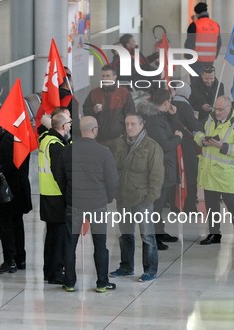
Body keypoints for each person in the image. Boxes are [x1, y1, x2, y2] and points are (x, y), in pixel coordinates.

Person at [54, 116, 119, 292]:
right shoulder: (104, 152)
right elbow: (113, 180)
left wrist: (67, 194)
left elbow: (58, 176)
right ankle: (102, 283)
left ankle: (69, 282)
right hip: (97, 203)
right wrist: (108, 198)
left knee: (70, 243)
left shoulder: (67, 151)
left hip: (74, 203)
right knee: (100, 245)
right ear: (94, 130)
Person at [110, 114, 163, 282]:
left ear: (142, 125)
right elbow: (114, 168)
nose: (129, 127)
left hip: (142, 199)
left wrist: (150, 198)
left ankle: (150, 270)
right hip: (123, 198)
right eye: (127, 124)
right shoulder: (120, 144)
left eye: (133, 124)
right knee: (125, 234)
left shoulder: (152, 147)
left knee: (147, 236)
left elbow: (157, 175)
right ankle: (126, 266)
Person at [194, 96, 234, 247]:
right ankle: (214, 233)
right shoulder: (209, 119)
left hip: (224, 174)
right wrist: (202, 139)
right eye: (215, 109)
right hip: (208, 171)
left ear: (229, 107)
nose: (217, 112)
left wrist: (223, 147)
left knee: (233, 206)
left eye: (220, 109)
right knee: (211, 206)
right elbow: (196, 132)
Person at [137, 89, 182, 248]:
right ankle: (153, 237)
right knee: (156, 204)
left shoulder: (160, 116)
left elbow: (171, 130)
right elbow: (166, 144)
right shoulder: (155, 120)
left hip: (166, 166)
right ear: (166, 102)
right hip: (160, 167)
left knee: (160, 203)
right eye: (170, 101)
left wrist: (173, 115)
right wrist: (178, 138)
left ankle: (160, 231)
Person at [0, 129, 32, 273]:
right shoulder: (21, 135)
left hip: (9, 190)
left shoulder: (8, 139)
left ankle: (10, 260)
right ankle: (20, 258)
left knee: (7, 225)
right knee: (17, 224)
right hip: (19, 188)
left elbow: (5, 165)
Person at [38, 110, 72, 284]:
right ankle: (56, 273)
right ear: (64, 126)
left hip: (47, 194)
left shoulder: (46, 139)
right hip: (57, 196)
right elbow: (60, 174)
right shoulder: (57, 146)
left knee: (51, 237)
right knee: (58, 238)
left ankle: (49, 271)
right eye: (69, 124)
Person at [82, 65, 135, 149]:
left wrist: (127, 136)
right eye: (103, 76)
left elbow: (131, 115)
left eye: (108, 76)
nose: (105, 79)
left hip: (118, 139)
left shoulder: (124, 93)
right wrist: (94, 110)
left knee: (117, 162)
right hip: (98, 139)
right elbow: (85, 111)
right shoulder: (94, 93)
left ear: (115, 77)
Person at [170, 84, 203, 213]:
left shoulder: (170, 104)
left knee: (175, 174)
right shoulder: (185, 106)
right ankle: (189, 206)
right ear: (188, 94)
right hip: (186, 146)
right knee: (189, 174)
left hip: (172, 144)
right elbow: (194, 125)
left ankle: (175, 205)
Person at [184, 2, 222, 77]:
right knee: (207, 81)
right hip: (210, 60)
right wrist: (214, 56)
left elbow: (189, 43)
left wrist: (188, 56)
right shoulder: (215, 25)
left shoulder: (194, 25)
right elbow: (219, 43)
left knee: (196, 82)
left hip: (196, 61)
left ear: (197, 14)